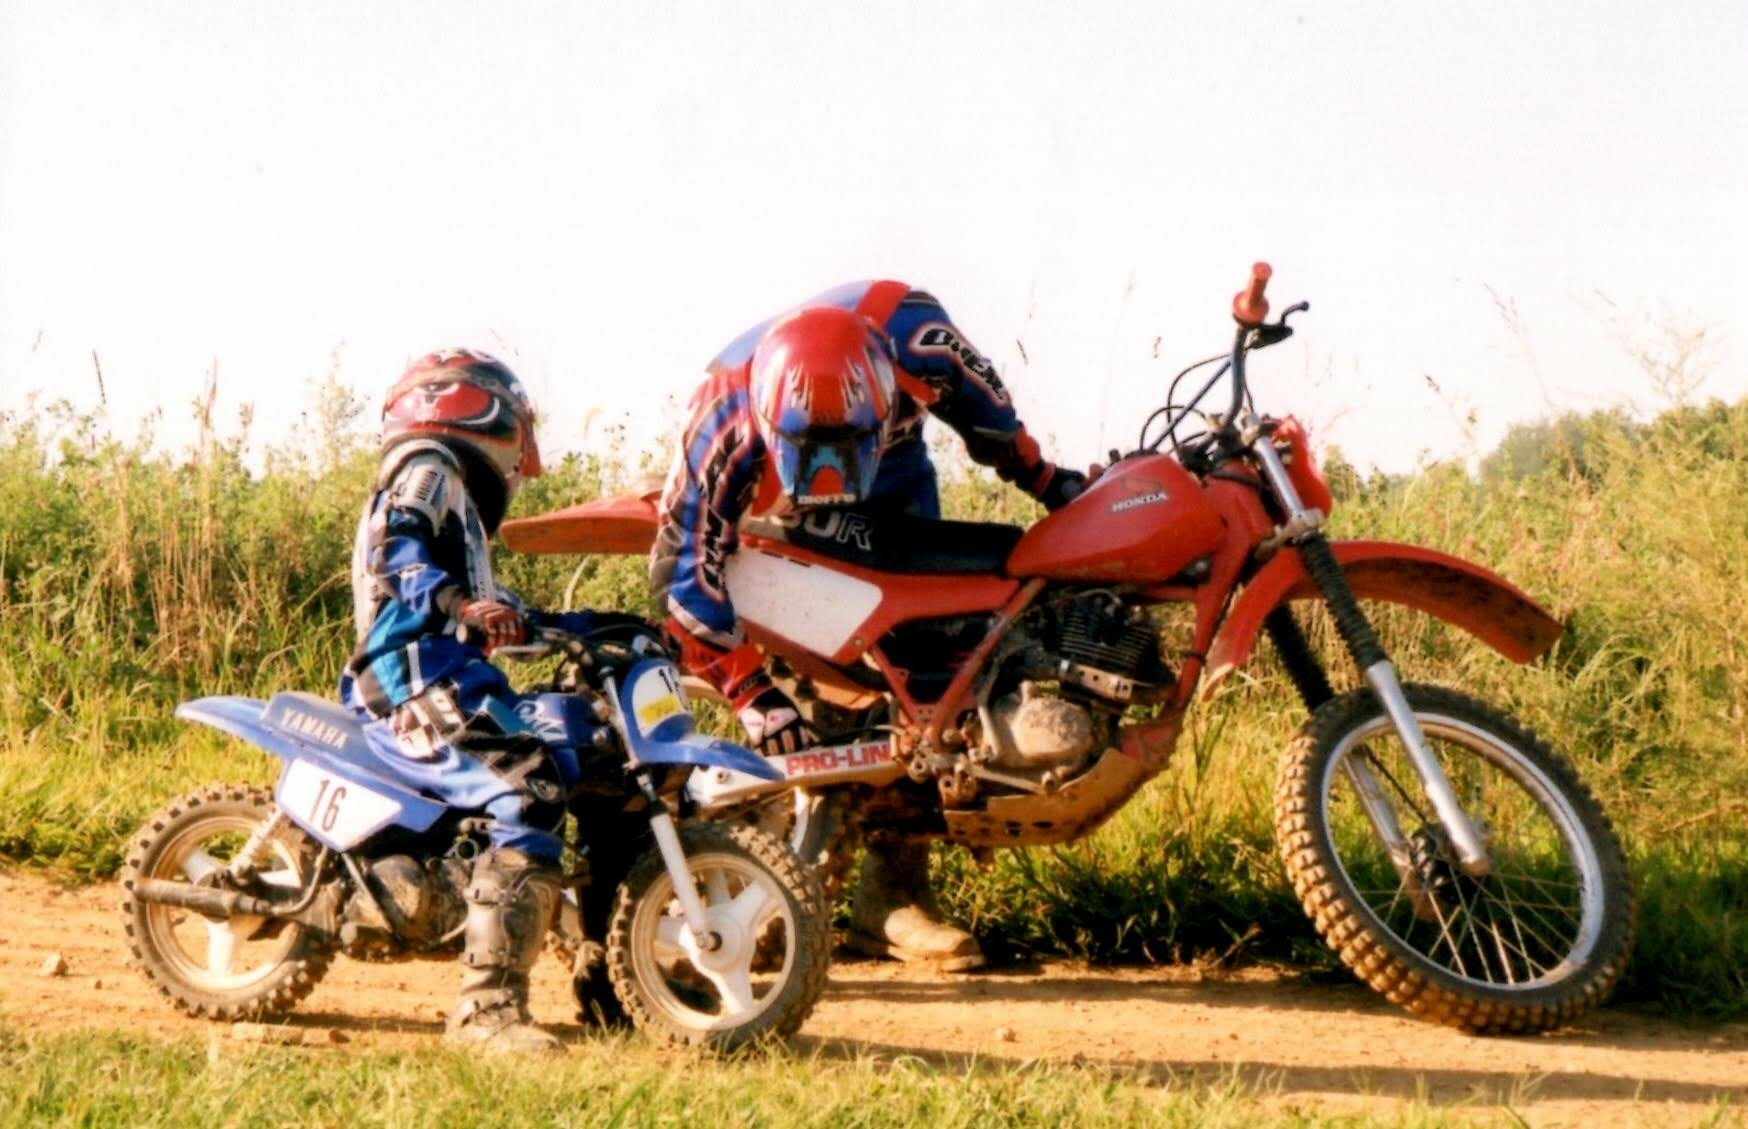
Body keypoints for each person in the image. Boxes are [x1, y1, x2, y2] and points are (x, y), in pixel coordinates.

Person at [651, 281, 1086, 971]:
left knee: (928, 657)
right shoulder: (721, 414)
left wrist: (1051, 486)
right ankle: (766, 885)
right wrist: (751, 695)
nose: (829, 473)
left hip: (896, 477)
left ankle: (893, 895)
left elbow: (995, 426)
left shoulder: (919, 337)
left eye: (839, 449)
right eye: (812, 451)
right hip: (770, 508)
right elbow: (681, 575)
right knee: (830, 666)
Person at [344, 348, 591, 1053]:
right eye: (518, 437)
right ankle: (483, 1013)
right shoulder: (428, 469)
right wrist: (457, 600)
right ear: (471, 411)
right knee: (528, 784)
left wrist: (592, 628)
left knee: (568, 758)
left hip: (452, 673)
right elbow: (395, 548)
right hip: (407, 676)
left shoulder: (465, 518)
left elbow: (500, 611)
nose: (523, 462)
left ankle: (605, 977)